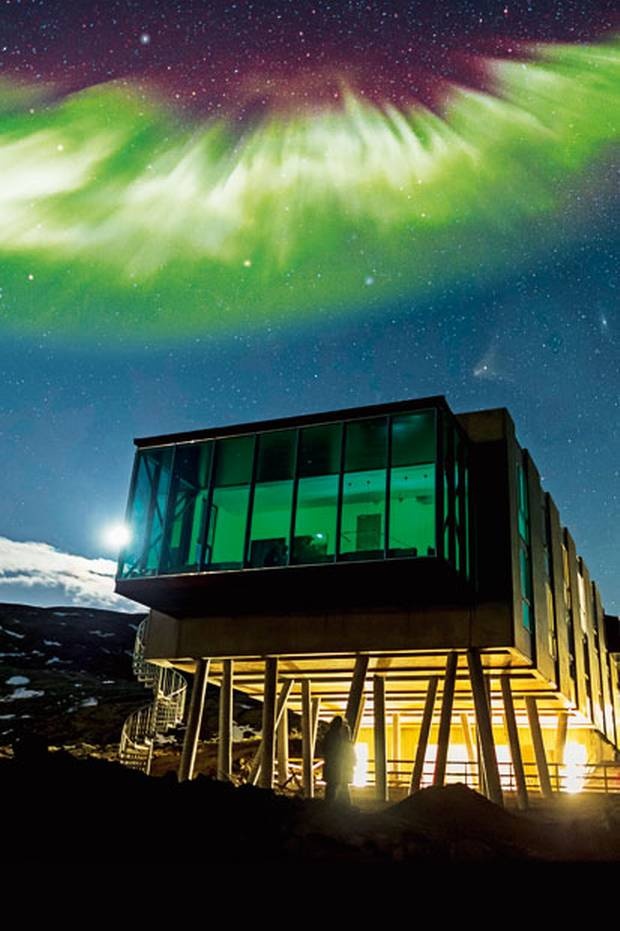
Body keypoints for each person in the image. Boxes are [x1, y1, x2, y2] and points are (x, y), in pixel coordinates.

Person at [322, 715, 356, 804]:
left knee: (333, 785)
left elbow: (325, 750)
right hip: (337, 765)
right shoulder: (339, 737)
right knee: (338, 785)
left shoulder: (330, 735)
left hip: (333, 765)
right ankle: (344, 804)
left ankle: (330, 803)